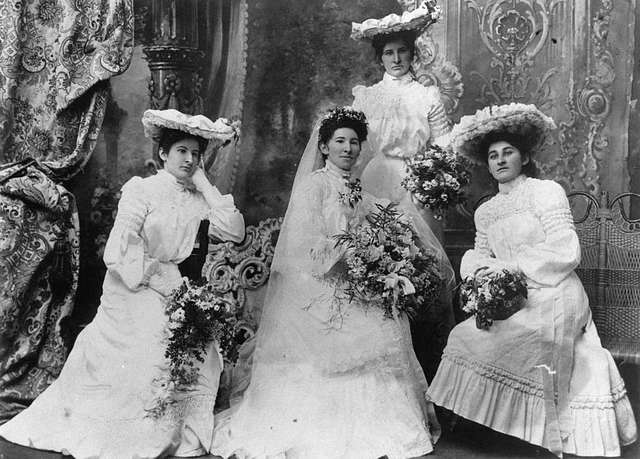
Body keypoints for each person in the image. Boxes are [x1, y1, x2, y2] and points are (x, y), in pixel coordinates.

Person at [0, 109, 245, 458]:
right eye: (181, 151)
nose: (189, 159)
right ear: (163, 153)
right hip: (133, 284)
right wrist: (159, 279)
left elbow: (235, 231)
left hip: (175, 286)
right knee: (152, 340)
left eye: (196, 153)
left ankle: (176, 429)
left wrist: (204, 183)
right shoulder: (141, 190)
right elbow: (119, 251)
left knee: (198, 345)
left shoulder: (198, 199)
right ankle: (129, 431)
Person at [211, 107, 441, 459]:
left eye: (354, 142)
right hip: (318, 285)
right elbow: (304, 247)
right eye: (339, 141)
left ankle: (382, 428)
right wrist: (351, 249)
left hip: (355, 281)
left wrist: (379, 251)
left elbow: (375, 223)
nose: (348, 148)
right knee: (348, 333)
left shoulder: (358, 189)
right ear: (323, 146)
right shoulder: (314, 186)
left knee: (388, 322)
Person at [426, 103, 638, 457]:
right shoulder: (486, 211)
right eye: (493, 155)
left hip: (555, 292)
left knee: (531, 339)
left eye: (508, 152)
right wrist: (482, 271)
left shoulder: (545, 192)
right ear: (487, 163)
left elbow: (566, 250)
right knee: (464, 336)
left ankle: (545, 433)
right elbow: (480, 257)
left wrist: (511, 267)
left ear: (523, 157)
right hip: (514, 298)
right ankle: (500, 427)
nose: (500, 160)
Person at [350, 1, 455, 378]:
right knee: (378, 261)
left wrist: (432, 175)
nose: (396, 58)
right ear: (380, 58)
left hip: (417, 183)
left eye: (402, 51)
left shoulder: (427, 96)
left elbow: (446, 145)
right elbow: (355, 147)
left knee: (421, 265)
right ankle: (384, 363)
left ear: (414, 53)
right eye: (389, 53)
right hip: (377, 177)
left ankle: (428, 363)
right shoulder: (367, 96)